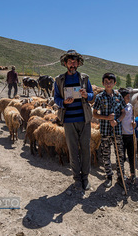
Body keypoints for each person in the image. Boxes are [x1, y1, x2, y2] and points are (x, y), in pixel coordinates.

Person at [54, 50, 94, 191]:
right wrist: (64, 102)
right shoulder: (59, 80)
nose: (72, 64)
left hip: (84, 120)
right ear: (65, 63)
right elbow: (56, 99)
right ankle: (77, 178)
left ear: (78, 63)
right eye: (70, 62)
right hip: (69, 120)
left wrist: (86, 94)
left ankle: (85, 177)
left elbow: (91, 96)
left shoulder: (84, 78)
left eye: (75, 62)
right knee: (73, 150)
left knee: (85, 149)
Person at [93, 73, 126, 188]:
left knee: (119, 154)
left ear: (114, 83)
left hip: (116, 130)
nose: (108, 84)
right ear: (103, 83)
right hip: (105, 131)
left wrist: (117, 121)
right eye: (106, 82)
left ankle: (121, 176)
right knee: (106, 154)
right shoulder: (99, 97)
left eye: (111, 82)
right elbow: (95, 113)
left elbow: (123, 112)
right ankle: (109, 176)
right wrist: (106, 118)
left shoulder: (118, 96)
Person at [118, 88, 136, 184]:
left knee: (131, 154)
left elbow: (133, 119)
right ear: (121, 98)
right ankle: (121, 174)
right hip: (121, 135)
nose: (128, 99)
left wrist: (134, 123)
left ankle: (132, 173)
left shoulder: (130, 107)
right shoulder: (118, 107)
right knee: (122, 156)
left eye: (129, 97)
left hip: (130, 134)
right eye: (126, 97)